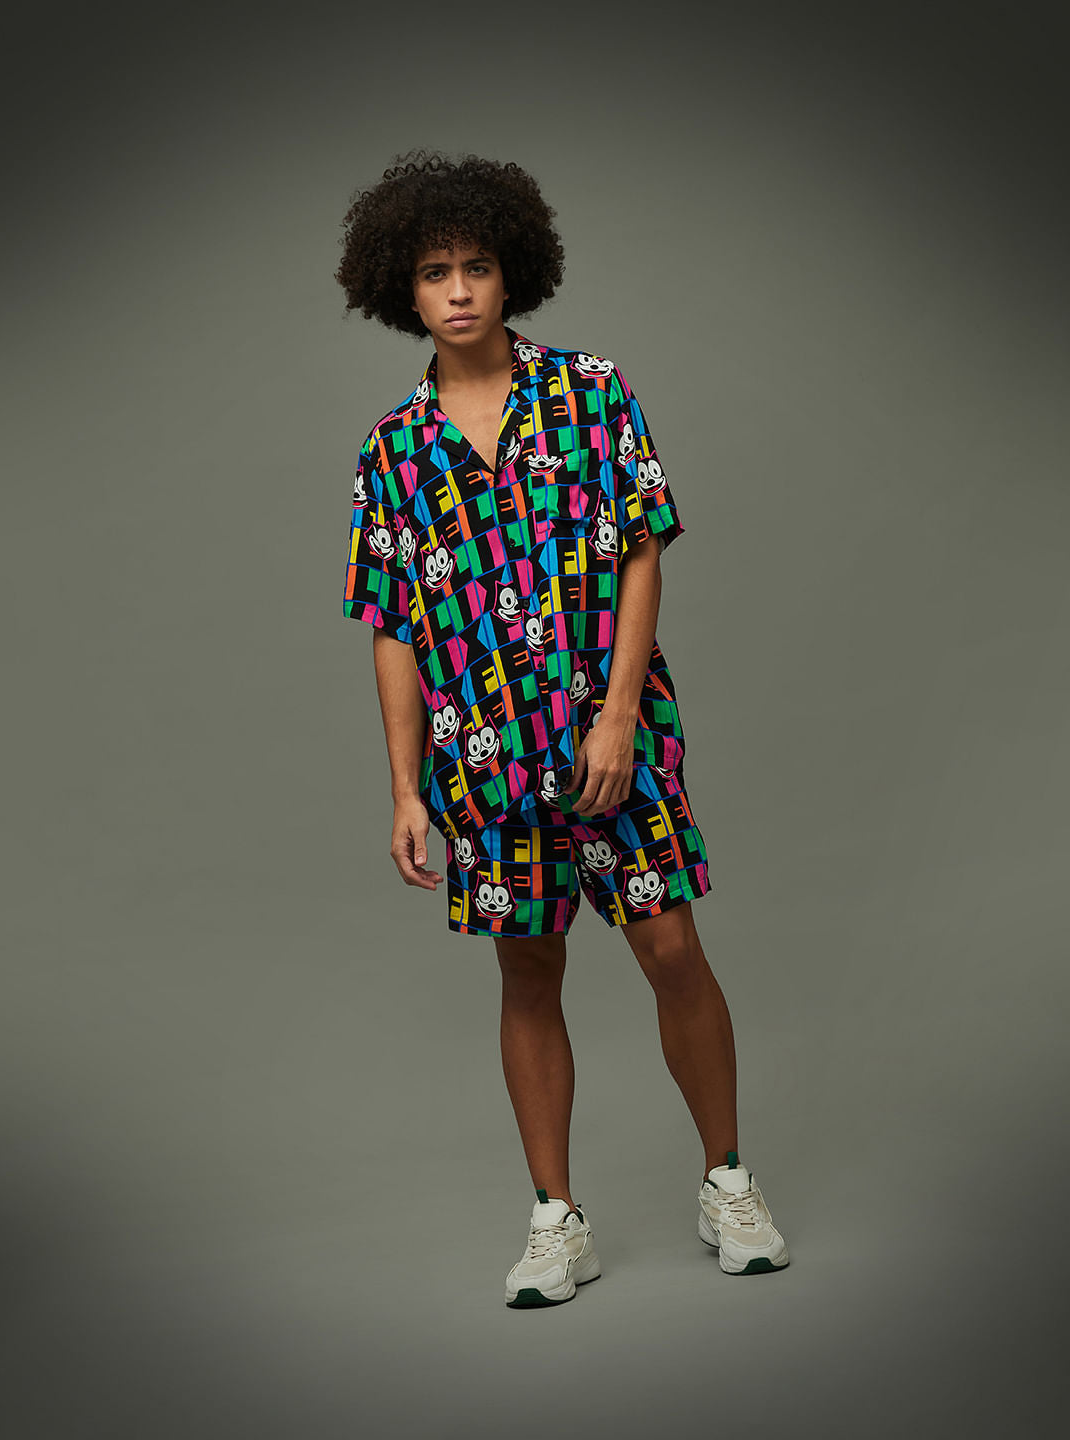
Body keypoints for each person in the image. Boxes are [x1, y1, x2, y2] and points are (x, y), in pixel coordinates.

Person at [335, 150, 789, 1307]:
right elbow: (392, 628)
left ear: (513, 272)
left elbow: (639, 549)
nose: (459, 291)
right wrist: (405, 788)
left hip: (609, 741)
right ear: (402, 288)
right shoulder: (392, 451)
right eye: (434, 272)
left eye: (477, 265)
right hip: (480, 758)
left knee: (671, 950)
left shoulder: (591, 393)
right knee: (528, 971)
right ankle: (555, 1219)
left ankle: (729, 1183)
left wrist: (621, 715)